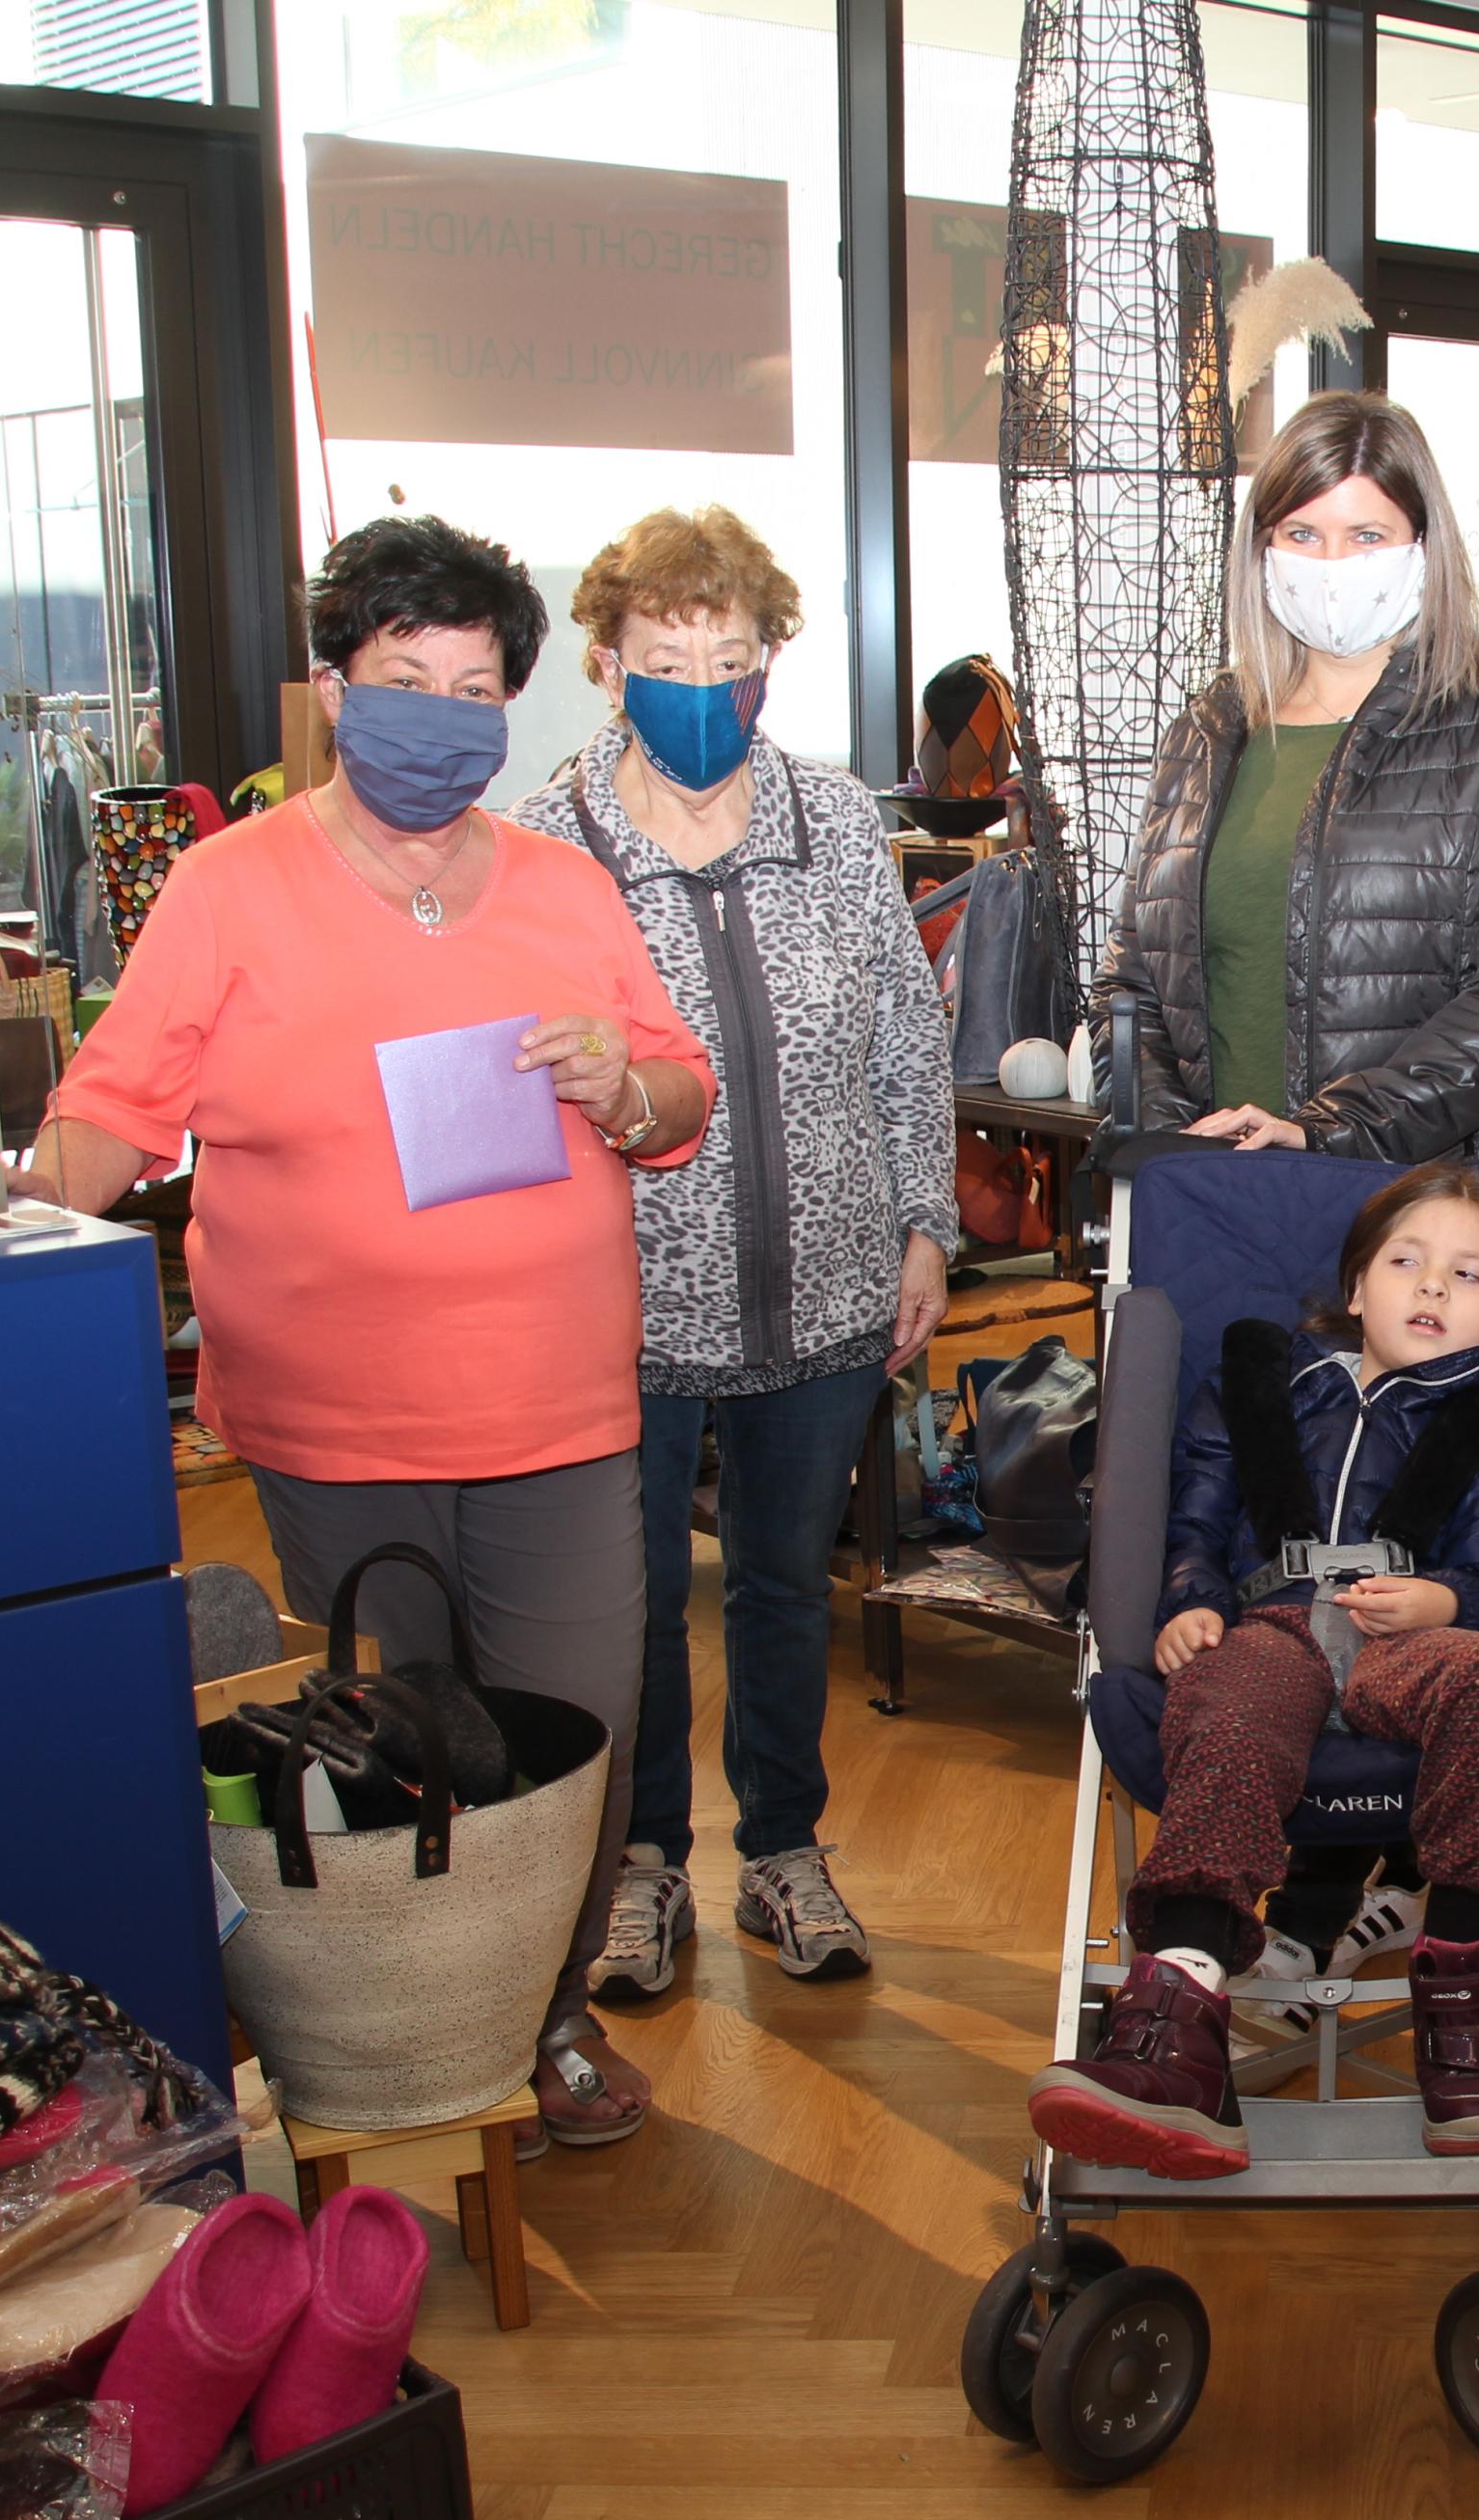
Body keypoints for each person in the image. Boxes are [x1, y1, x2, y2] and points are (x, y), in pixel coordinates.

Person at [21, 512, 716, 2158]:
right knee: (402, 1736)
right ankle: (414, 2025)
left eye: (476, 690)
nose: (440, 717)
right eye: (407, 678)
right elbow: (112, 1109)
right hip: (336, 1421)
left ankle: (545, 2017)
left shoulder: (562, 886)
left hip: (557, 1406)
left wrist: (624, 1088)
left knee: (577, 1731)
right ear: (336, 688)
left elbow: (679, 1089)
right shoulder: (228, 889)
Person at [507, 507, 959, 1999]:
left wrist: (924, 1222)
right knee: (630, 1598)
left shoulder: (835, 821)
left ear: (771, 655)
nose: (702, 684)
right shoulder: (546, 843)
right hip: (624, 1303)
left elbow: (907, 1037)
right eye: (666, 654)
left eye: (731, 654)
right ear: (606, 661)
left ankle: (783, 1849)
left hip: (827, 1278)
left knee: (783, 1582)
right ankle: (644, 1863)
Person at [1026, 1163, 1479, 2178]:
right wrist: (1189, 1600)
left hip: (1406, 1644)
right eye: (1406, 1263)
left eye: (1469, 1275)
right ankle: (1180, 2015)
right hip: (1272, 1626)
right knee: (1228, 1703)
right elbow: (1197, 1517)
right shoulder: (1266, 1389)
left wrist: (1446, 1601)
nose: (1433, 1287)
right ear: (1356, 1288)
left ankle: (1460, 2003)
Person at [1107, 390, 1479, 1164]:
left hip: (1420, 1199)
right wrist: (1182, 1148)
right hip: (1220, 1192)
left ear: (1423, 546)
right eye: (1302, 534)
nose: (1332, 567)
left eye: (1367, 536)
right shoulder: (1208, 731)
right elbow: (1133, 981)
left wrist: (1328, 1133)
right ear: (1262, 548)